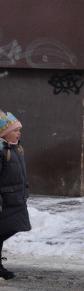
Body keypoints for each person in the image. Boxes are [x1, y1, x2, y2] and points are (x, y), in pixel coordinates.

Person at [0, 112, 30, 281]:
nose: (19, 133)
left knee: (9, 228)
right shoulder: (2, 151)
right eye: (15, 130)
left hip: (16, 200)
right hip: (5, 201)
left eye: (19, 130)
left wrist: (25, 190)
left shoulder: (16, 148)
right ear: (4, 133)